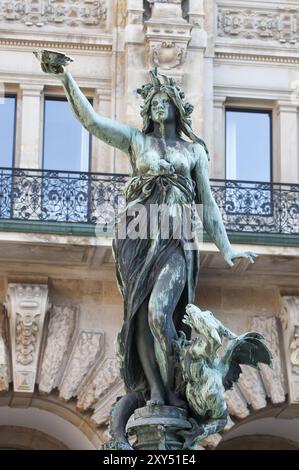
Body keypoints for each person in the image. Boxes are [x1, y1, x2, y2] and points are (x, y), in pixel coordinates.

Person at [36, 54, 256, 407]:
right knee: (139, 314)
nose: (157, 106)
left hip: (177, 237)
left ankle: (176, 379)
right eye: (152, 102)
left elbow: (208, 203)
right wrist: (65, 78)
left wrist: (227, 248)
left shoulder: (193, 151)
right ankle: (155, 389)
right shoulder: (137, 141)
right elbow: (92, 121)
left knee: (160, 312)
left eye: (163, 101)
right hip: (138, 238)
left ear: (175, 107)